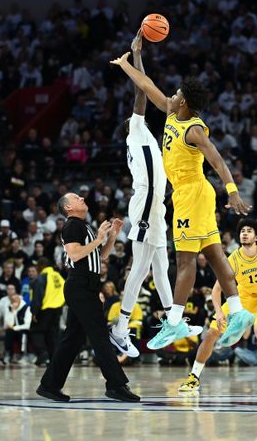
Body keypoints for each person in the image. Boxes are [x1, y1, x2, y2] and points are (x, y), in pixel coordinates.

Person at [111, 50, 255, 349]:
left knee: (185, 260)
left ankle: (174, 322)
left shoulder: (194, 129)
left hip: (192, 194)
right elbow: (146, 84)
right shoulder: (171, 112)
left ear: (184, 102)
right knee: (215, 254)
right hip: (192, 194)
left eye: (176, 93)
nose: (171, 95)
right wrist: (131, 60)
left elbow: (217, 161)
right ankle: (239, 312)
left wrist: (233, 191)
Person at [110, 33, 198, 358]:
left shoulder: (148, 138)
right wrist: (136, 55)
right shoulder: (135, 132)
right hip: (146, 203)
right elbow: (141, 91)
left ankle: (171, 320)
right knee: (140, 269)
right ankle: (119, 329)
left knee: (162, 268)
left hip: (157, 206)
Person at [36, 193, 139, 403]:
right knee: (100, 335)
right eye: (76, 197)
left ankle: (50, 385)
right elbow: (75, 255)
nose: (82, 197)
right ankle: (116, 385)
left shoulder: (85, 225)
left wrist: (110, 237)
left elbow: (99, 256)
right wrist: (100, 238)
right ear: (68, 208)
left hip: (87, 286)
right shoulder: (72, 225)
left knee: (72, 339)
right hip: (79, 286)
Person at [179, 219, 257, 392]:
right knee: (211, 333)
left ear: (256, 236)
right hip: (241, 300)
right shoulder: (233, 258)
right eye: (242, 231)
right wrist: (218, 312)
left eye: (249, 231)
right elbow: (217, 290)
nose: (244, 233)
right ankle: (194, 377)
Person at [30, 260, 65, 366]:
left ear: (42, 265)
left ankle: (42, 353)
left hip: (45, 309)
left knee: (35, 331)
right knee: (52, 334)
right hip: (57, 309)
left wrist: (34, 312)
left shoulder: (42, 277)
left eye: (37, 265)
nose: (37, 268)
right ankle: (53, 358)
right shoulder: (58, 276)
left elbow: (38, 296)